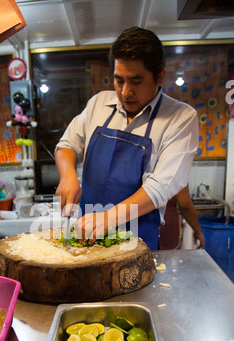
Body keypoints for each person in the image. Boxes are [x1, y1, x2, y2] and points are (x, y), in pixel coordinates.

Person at [55, 27, 199, 250]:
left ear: (160, 77)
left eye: (136, 81)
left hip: (137, 245)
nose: (125, 92)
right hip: (86, 236)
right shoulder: (99, 104)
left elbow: (161, 186)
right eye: (119, 80)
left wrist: (108, 218)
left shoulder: (180, 117)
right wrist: (68, 175)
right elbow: (67, 145)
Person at [159, 185, 205, 250]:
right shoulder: (176, 175)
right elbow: (185, 205)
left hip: (143, 225)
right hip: (167, 227)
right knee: (166, 258)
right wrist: (198, 231)